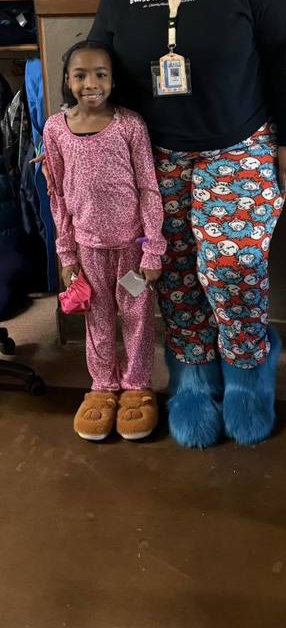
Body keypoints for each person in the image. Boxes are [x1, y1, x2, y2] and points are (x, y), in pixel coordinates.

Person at [89, 0, 286, 449]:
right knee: (175, 274)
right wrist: (85, 142)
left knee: (230, 267)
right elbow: (98, 65)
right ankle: (192, 383)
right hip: (155, 157)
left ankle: (247, 378)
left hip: (239, 147)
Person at [43, 41, 166, 442]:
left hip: (132, 247)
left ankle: (137, 386)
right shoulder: (54, 129)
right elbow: (58, 196)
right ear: (67, 80)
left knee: (137, 317)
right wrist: (66, 253)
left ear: (112, 80)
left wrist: (153, 248)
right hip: (87, 248)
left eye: (100, 74)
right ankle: (102, 387)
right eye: (80, 75)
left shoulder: (130, 125)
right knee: (96, 319)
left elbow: (148, 188)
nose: (91, 83)